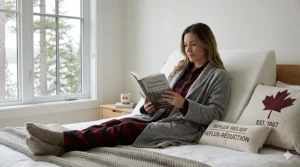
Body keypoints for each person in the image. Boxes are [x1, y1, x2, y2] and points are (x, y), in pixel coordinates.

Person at [25, 23, 231, 156]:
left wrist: (184, 104)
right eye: (185, 45)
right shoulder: (180, 69)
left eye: (193, 44)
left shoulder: (218, 75)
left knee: (123, 130)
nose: (188, 49)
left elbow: (215, 114)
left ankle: (63, 141)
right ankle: (58, 145)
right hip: (157, 116)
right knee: (114, 121)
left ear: (206, 44)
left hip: (182, 126)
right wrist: (148, 107)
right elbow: (165, 98)